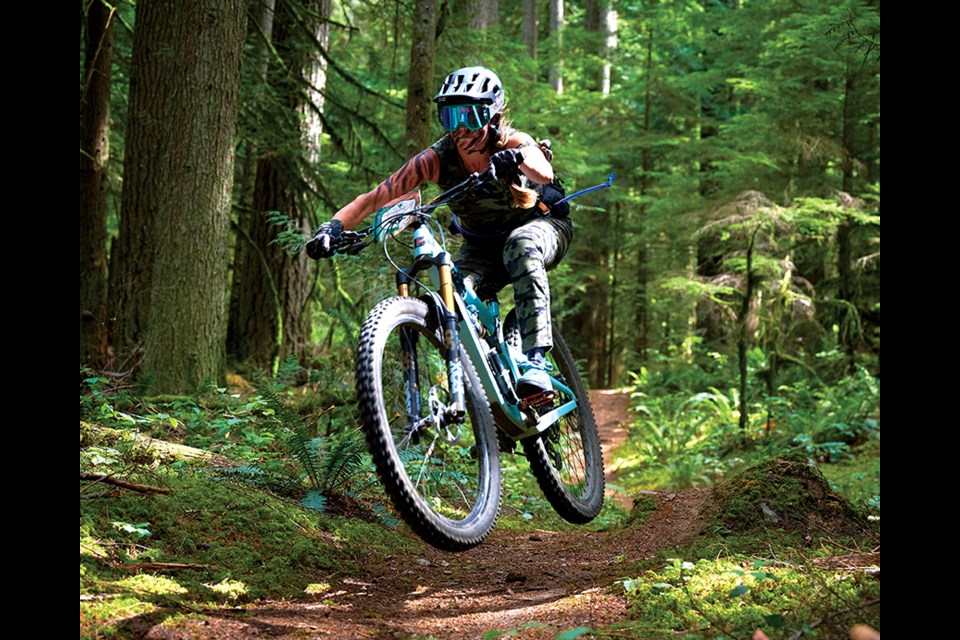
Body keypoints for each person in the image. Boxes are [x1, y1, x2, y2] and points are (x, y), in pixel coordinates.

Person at [307, 66, 572, 397]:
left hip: (542, 227)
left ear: (492, 114)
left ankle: (535, 363)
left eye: (471, 115)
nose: (460, 128)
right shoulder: (436, 159)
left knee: (520, 245)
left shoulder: (512, 142)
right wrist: (332, 227)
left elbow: (543, 172)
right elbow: (373, 199)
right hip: (482, 247)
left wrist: (516, 158)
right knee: (450, 292)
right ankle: (494, 386)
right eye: (450, 117)